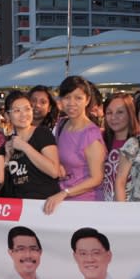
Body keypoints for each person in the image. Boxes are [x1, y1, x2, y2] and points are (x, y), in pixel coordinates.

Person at [44, 76, 107, 214]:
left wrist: (65, 193)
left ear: (87, 100)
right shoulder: (61, 124)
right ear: (60, 100)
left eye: (78, 98)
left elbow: (97, 178)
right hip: (61, 202)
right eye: (67, 97)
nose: (72, 103)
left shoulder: (90, 134)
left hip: (86, 204)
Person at [2, 90, 60, 199]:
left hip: (44, 203)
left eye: (27, 109)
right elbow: (1, 182)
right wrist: (6, 158)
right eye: (17, 111)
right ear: (7, 116)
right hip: (19, 205)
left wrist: (25, 146)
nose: (23, 114)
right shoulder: (8, 142)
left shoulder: (42, 133)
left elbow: (54, 171)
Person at [102, 93, 140, 201]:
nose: (114, 117)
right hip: (103, 207)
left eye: (120, 112)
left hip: (133, 208)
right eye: (109, 112)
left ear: (130, 113)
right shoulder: (99, 140)